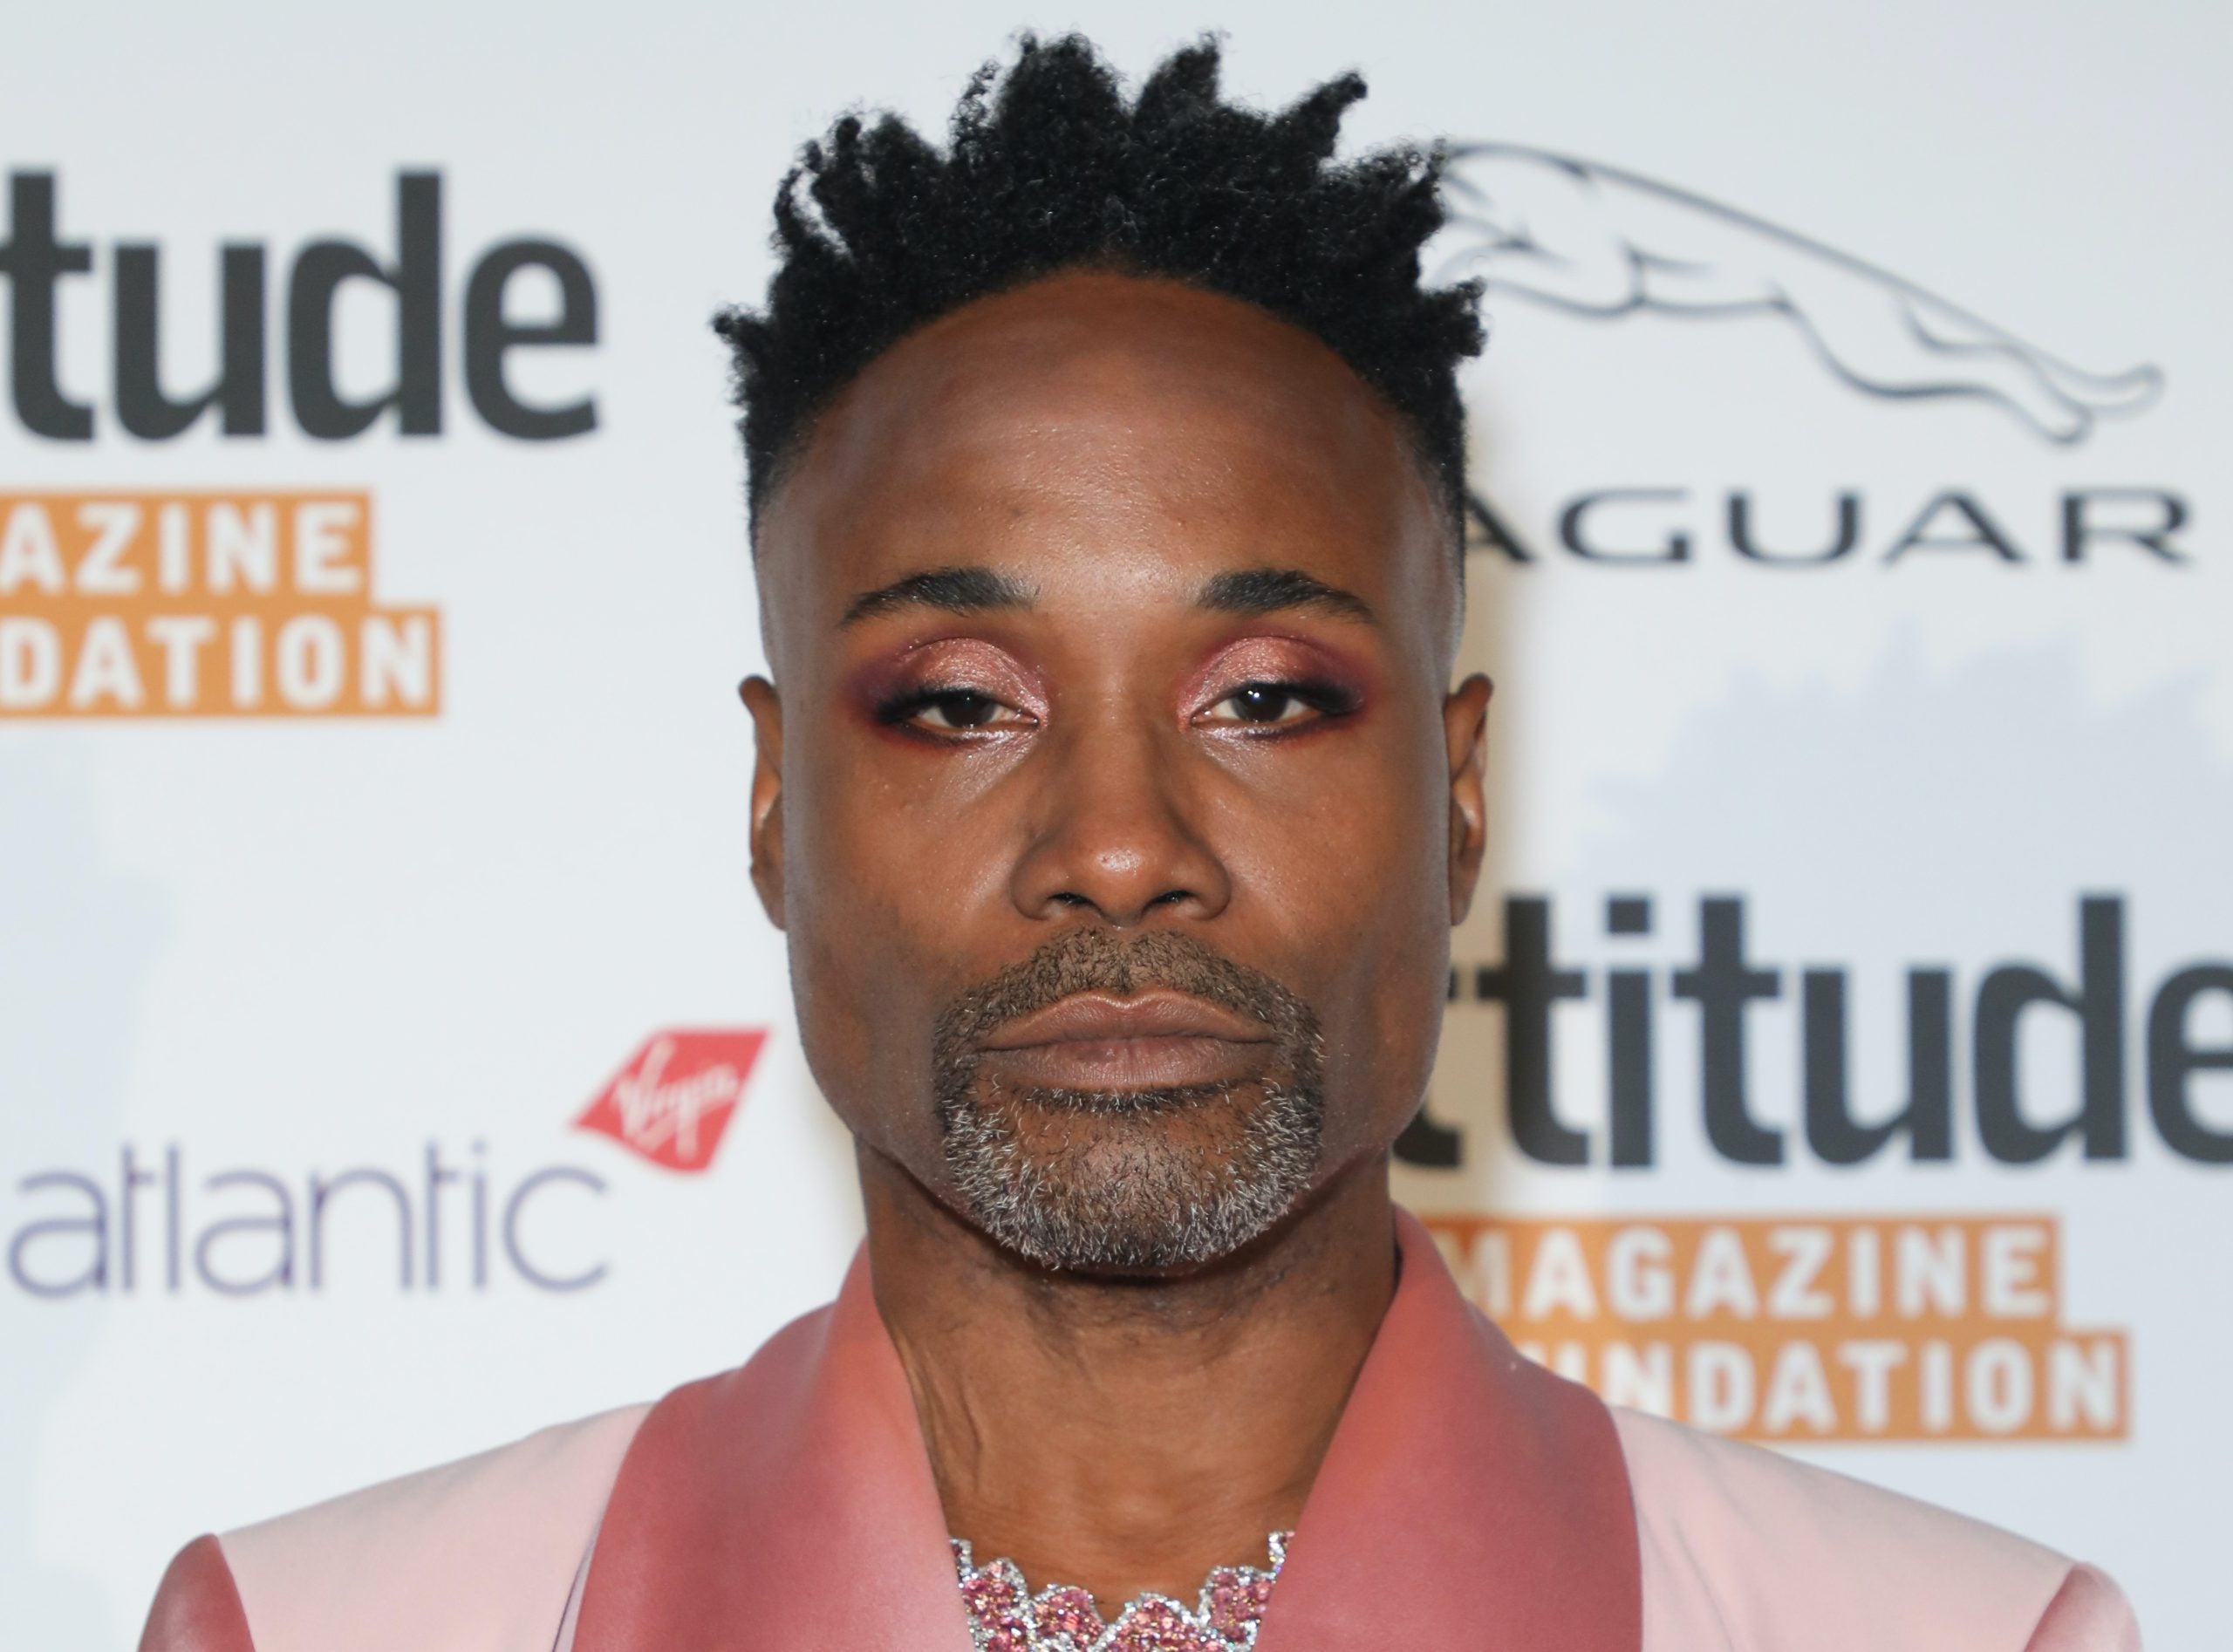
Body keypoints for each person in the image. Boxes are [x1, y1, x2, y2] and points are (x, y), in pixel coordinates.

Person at [140, 35, 2141, 1652]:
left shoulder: (1957, 1633)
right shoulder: (319, 1627)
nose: (1115, 847)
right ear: (773, 804)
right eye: (957, 701)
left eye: (1263, 696)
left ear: (1456, 802)